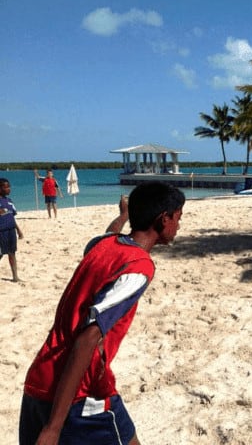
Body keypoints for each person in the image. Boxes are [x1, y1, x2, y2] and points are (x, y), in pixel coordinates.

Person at [19, 182, 185, 445]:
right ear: (163, 219)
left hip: (40, 380)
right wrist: (53, 427)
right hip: (81, 392)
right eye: (178, 217)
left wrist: (123, 216)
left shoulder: (104, 246)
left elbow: (110, 233)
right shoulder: (139, 267)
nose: (178, 225)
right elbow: (88, 337)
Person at [0, 178, 24, 282]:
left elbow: (11, 216)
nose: (9, 189)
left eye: (9, 186)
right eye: (6, 187)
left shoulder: (9, 201)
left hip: (11, 231)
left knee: (12, 253)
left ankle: (15, 277)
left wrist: (18, 230)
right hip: (1, 231)